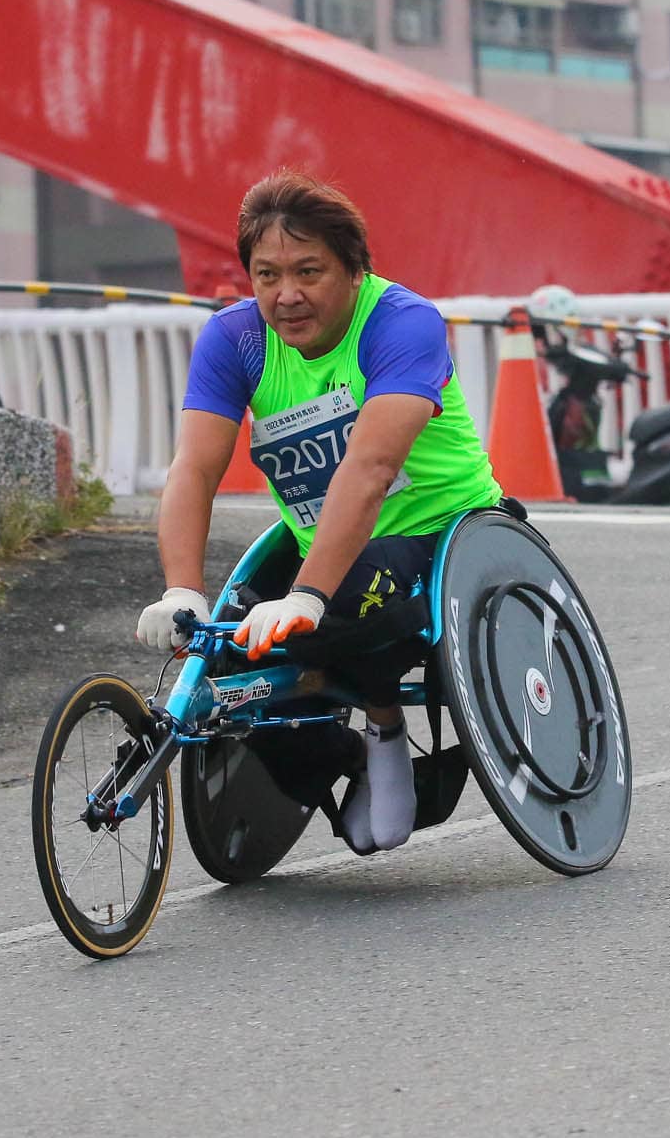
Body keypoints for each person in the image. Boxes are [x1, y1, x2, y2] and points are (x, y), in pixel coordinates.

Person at [134, 171, 503, 852]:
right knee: (230, 664)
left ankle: (385, 720)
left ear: (355, 269)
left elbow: (371, 470)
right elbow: (195, 469)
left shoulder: (401, 322)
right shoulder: (236, 340)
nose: (287, 294)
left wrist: (307, 593)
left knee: (333, 609)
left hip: (441, 538)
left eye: (309, 271)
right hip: (328, 545)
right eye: (266, 274)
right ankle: (349, 754)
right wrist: (181, 587)